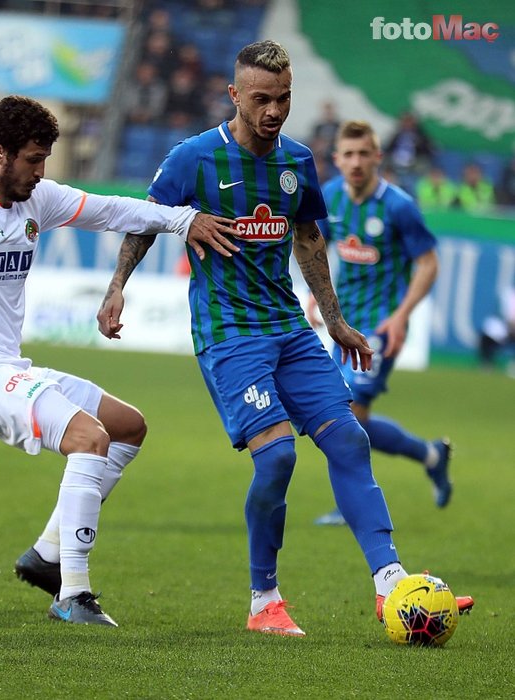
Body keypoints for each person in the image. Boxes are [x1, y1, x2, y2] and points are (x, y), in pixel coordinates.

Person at [96, 41, 473, 636]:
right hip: (229, 332)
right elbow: (146, 221)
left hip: (287, 327)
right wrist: (118, 286)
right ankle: (263, 600)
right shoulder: (193, 158)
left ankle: (390, 583)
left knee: (349, 440)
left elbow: (308, 239)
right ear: (236, 96)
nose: (275, 111)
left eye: (285, 99)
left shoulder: (298, 160)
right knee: (277, 456)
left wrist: (336, 317)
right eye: (262, 100)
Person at [0, 95, 237, 627]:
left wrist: (182, 219)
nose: (40, 171)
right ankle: (73, 593)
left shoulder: (40, 200)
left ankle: (48, 552)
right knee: (89, 438)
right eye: (32, 159)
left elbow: (112, 210)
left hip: (8, 367)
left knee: (126, 427)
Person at [308, 120, 454, 528]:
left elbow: (428, 263)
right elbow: (313, 250)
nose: (355, 162)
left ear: (378, 157)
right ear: (336, 159)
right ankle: (430, 455)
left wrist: (402, 315)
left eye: (363, 154)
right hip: (342, 325)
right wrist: (315, 297)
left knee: (345, 413)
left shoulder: (399, 206)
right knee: (352, 419)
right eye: (347, 154)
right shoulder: (329, 197)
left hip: (380, 327)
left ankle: (352, 503)